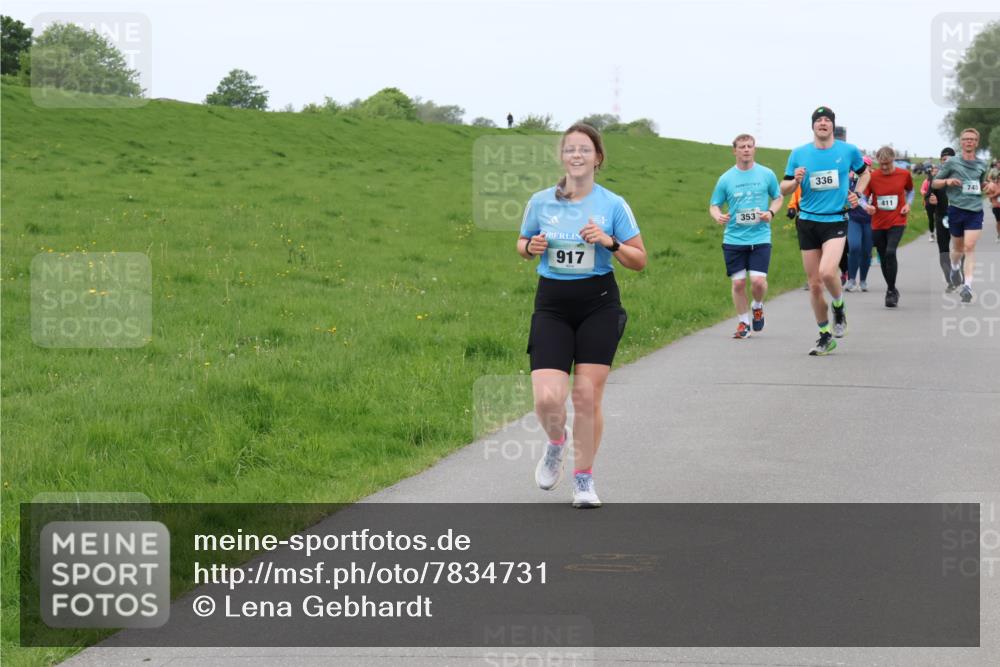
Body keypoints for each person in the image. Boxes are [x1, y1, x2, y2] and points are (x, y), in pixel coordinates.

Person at [518, 123, 647, 508]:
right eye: (570, 149)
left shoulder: (612, 204)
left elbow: (639, 260)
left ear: (598, 158)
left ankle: (584, 479)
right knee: (546, 398)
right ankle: (557, 443)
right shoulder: (541, 202)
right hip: (553, 305)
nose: (577, 155)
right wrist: (531, 247)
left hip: (598, 303)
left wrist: (609, 241)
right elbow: (522, 243)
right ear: (562, 156)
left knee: (587, 397)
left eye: (585, 150)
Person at [780, 106, 869, 355]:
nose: (823, 123)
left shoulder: (848, 151)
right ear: (812, 126)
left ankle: (839, 308)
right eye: (818, 120)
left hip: (836, 219)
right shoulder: (798, 153)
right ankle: (824, 335)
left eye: (827, 120)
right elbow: (784, 188)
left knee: (828, 272)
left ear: (832, 126)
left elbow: (865, 174)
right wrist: (794, 180)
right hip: (807, 221)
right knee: (815, 284)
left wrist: (857, 194)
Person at [709, 134, 783, 338]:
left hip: (760, 238)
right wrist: (718, 216)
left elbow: (778, 198)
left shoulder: (766, 174)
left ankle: (757, 305)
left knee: (758, 282)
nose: (746, 150)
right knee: (739, 283)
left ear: (754, 149)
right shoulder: (726, 179)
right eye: (742, 146)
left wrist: (770, 213)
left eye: (750, 146)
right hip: (734, 239)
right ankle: (743, 323)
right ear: (735, 151)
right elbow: (714, 204)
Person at [932, 128, 999, 303]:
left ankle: (967, 286)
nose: (969, 142)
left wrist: (988, 186)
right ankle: (955, 267)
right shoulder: (952, 162)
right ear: (961, 142)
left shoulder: (981, 164)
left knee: (969, 247)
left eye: (972, 139)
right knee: (958, 249)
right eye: (966, 139)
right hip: (956, 209)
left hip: (975, 210)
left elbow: (981, 182)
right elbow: (935, 182)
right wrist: (947, 181)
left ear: (977, 143)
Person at [862, 146, 913, 308]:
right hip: (878, 222)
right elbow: (863, 197)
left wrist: (908, 205)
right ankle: (891, 289)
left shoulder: (904, 174)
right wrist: (866, 207)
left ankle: (890, 291)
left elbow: (910, 191)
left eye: (887, 164)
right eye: (882, 164)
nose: (884, 167)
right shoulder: (873, 176)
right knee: (883, 256)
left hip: (898, 220)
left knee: (891, 252)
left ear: (893, 160)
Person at [845, 160, 874, 292]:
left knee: (866, 251)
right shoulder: (850, 181)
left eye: (867, 165)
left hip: (870, 221)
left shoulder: (874, 181)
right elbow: (854, 197)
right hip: (854, 219)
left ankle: (863, 280)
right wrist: (865, 205)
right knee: (854, 247)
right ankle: (851, 279)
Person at [930, 148, 957, 289]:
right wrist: (931, 200)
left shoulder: (961, 176)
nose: (946, 162)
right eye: (943, 159)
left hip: (959, 217)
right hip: (942, 217)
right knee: (944, 250)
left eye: (949, 159)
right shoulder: (936, 178)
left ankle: (959, 273)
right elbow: (928, 196)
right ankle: (949, 280)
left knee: (960, 249)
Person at [921, 165, 937, 242]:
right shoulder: (926, 181)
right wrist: (925, 193)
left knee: (938, 218)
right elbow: (922, 190)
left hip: (939, 201)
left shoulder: (940, 180)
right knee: (931, 219)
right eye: (934, 171)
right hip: (929, 201)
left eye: (936, 171)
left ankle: (940, 232)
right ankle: (932, 234)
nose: (935, 173)